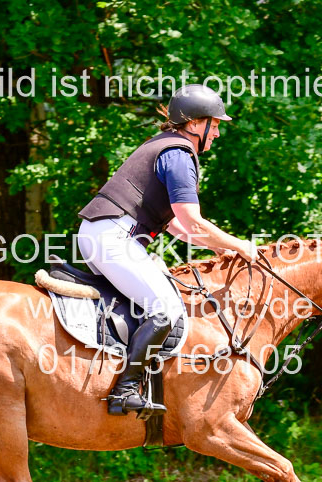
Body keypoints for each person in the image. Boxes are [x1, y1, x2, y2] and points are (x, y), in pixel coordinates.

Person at [77, 83, 259, 417]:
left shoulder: (166, 146)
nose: (217, 132)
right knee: (165, 309)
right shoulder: (178, 154)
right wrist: (239, 246)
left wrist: (218, 249)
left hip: (107, 234)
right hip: (113, 238)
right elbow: (193, 221)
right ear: (193, 124)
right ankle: (125, 390)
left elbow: (177, 226)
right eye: (214, 124)